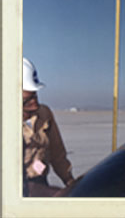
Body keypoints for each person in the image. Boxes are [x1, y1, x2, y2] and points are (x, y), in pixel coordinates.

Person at [22, 57, 74, 196]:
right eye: (28, 99)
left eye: (35, 95)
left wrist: (69, 180)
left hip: (40, 181)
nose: (35, 102)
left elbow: (57, 153)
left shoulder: (44, 114)